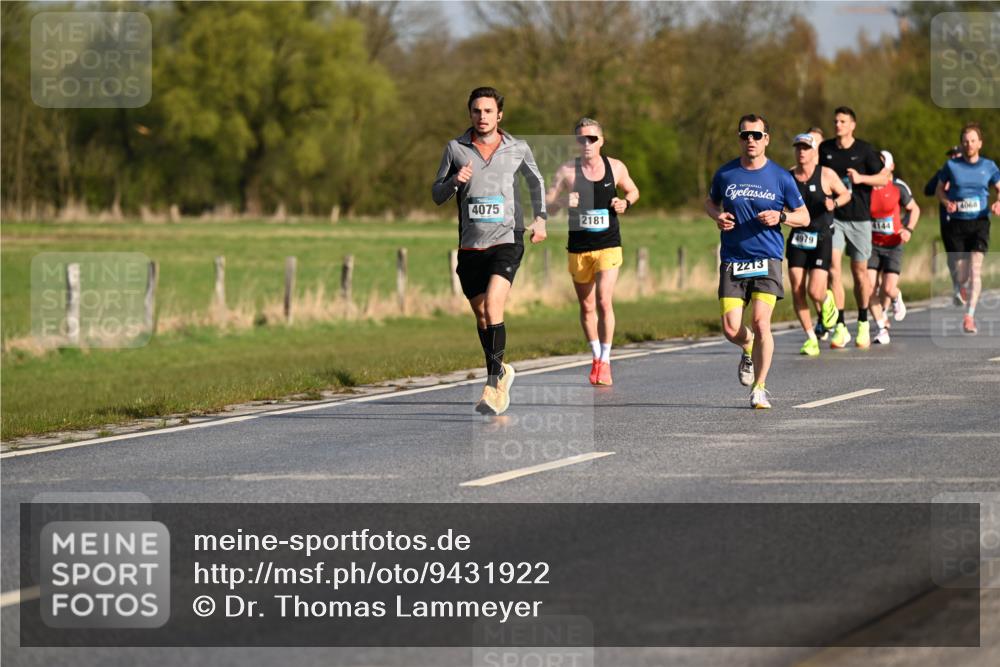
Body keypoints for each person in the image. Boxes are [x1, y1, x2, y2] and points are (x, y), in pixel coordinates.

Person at [432, 86, 547, 414]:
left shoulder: (517, 148)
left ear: (499, 115)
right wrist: (455, 180)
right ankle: (501, 371)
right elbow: (436, 194)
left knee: (495, 304)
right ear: (470, 114)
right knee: (483, 315)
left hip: (507, 238)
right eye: (476, 111)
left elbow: (536, 182)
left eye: (487, 111)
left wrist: (540, 220)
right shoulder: (455, 149)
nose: (482, 117)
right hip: (470, 246)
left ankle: (494, 382)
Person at [705, 114, 810, 409]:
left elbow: (804, 216)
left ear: (767, 138)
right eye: (745, 135)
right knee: (730, 328)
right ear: (739, 139)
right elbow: (710, 202)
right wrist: (718, 216)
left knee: (761, 322)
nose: (750, 140)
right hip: (733, 259)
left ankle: (760, 388)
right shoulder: (725, 174)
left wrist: (782, 216)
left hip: (768, 258)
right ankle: (747, 346)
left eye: (756, 135)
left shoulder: (781, 177)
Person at [545, 118, 640, 385]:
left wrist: (625, 203)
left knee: (603, 300)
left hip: (609, 244)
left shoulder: (616, 167)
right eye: (581, 139)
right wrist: (564, 201)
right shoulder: (567, 171)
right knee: (586, 306)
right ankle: (596, 356)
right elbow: (547, 205)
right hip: (579, 248)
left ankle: (607, 361)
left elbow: (633, 191)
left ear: (601, 141)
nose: (587, 144)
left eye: (592, 139)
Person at [819, 107, 890, 349]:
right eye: (835, 120)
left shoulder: (864, 150)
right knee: (833, 269)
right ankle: (840, 326)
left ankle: (862, 322)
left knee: (860, 273)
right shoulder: (825, 150)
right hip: (834, 217)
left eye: (842, 121)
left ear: (852, 125)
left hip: (859, 218)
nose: (837, 125)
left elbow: (884, 178)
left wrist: (861, 179)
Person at [787, 131, 850, 356]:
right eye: (798, 148)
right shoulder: (789, 177)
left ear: (814, 151)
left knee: (815, 291)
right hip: (797, 238)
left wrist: (834, 202)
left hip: (821, 237)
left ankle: (828, 301)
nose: (801, 152)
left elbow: (846, 194)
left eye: (806, 148)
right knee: (796, 289)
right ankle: (811, 338)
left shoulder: (826, 174)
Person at [935, 122, 1000, 334]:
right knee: (961, 274)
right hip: (957, 224)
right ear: (961, 144)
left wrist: (998, 201)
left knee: (975, 270)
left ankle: (969, 316)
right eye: (965, 141)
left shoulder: (989, 166)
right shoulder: (951, 166)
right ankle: (959, 286)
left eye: (973, 140)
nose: (969, 144)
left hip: (979, 222)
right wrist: (946, 203)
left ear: (980, 143)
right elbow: (939, 191)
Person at [867, 150, 920, 344]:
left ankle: (896, 298)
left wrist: (908, 229)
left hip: (893, 245)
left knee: (888, 288)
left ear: (891, 167)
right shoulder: (867, 187)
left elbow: (914, 209)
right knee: (869, 287)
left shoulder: (898, 187)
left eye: (883, 164)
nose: (879, 168)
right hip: (872, 244)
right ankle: (882, 327)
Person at [925, 145, 966, 305]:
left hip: (966, 220)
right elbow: (927, 190)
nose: (954, 157)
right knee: (952, 256)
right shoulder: (943, 173)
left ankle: (964, 284)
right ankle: (958, 286)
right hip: (947, 220)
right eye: (952, 155)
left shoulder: (968, 173)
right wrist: (941, 185)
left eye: (957, 155)